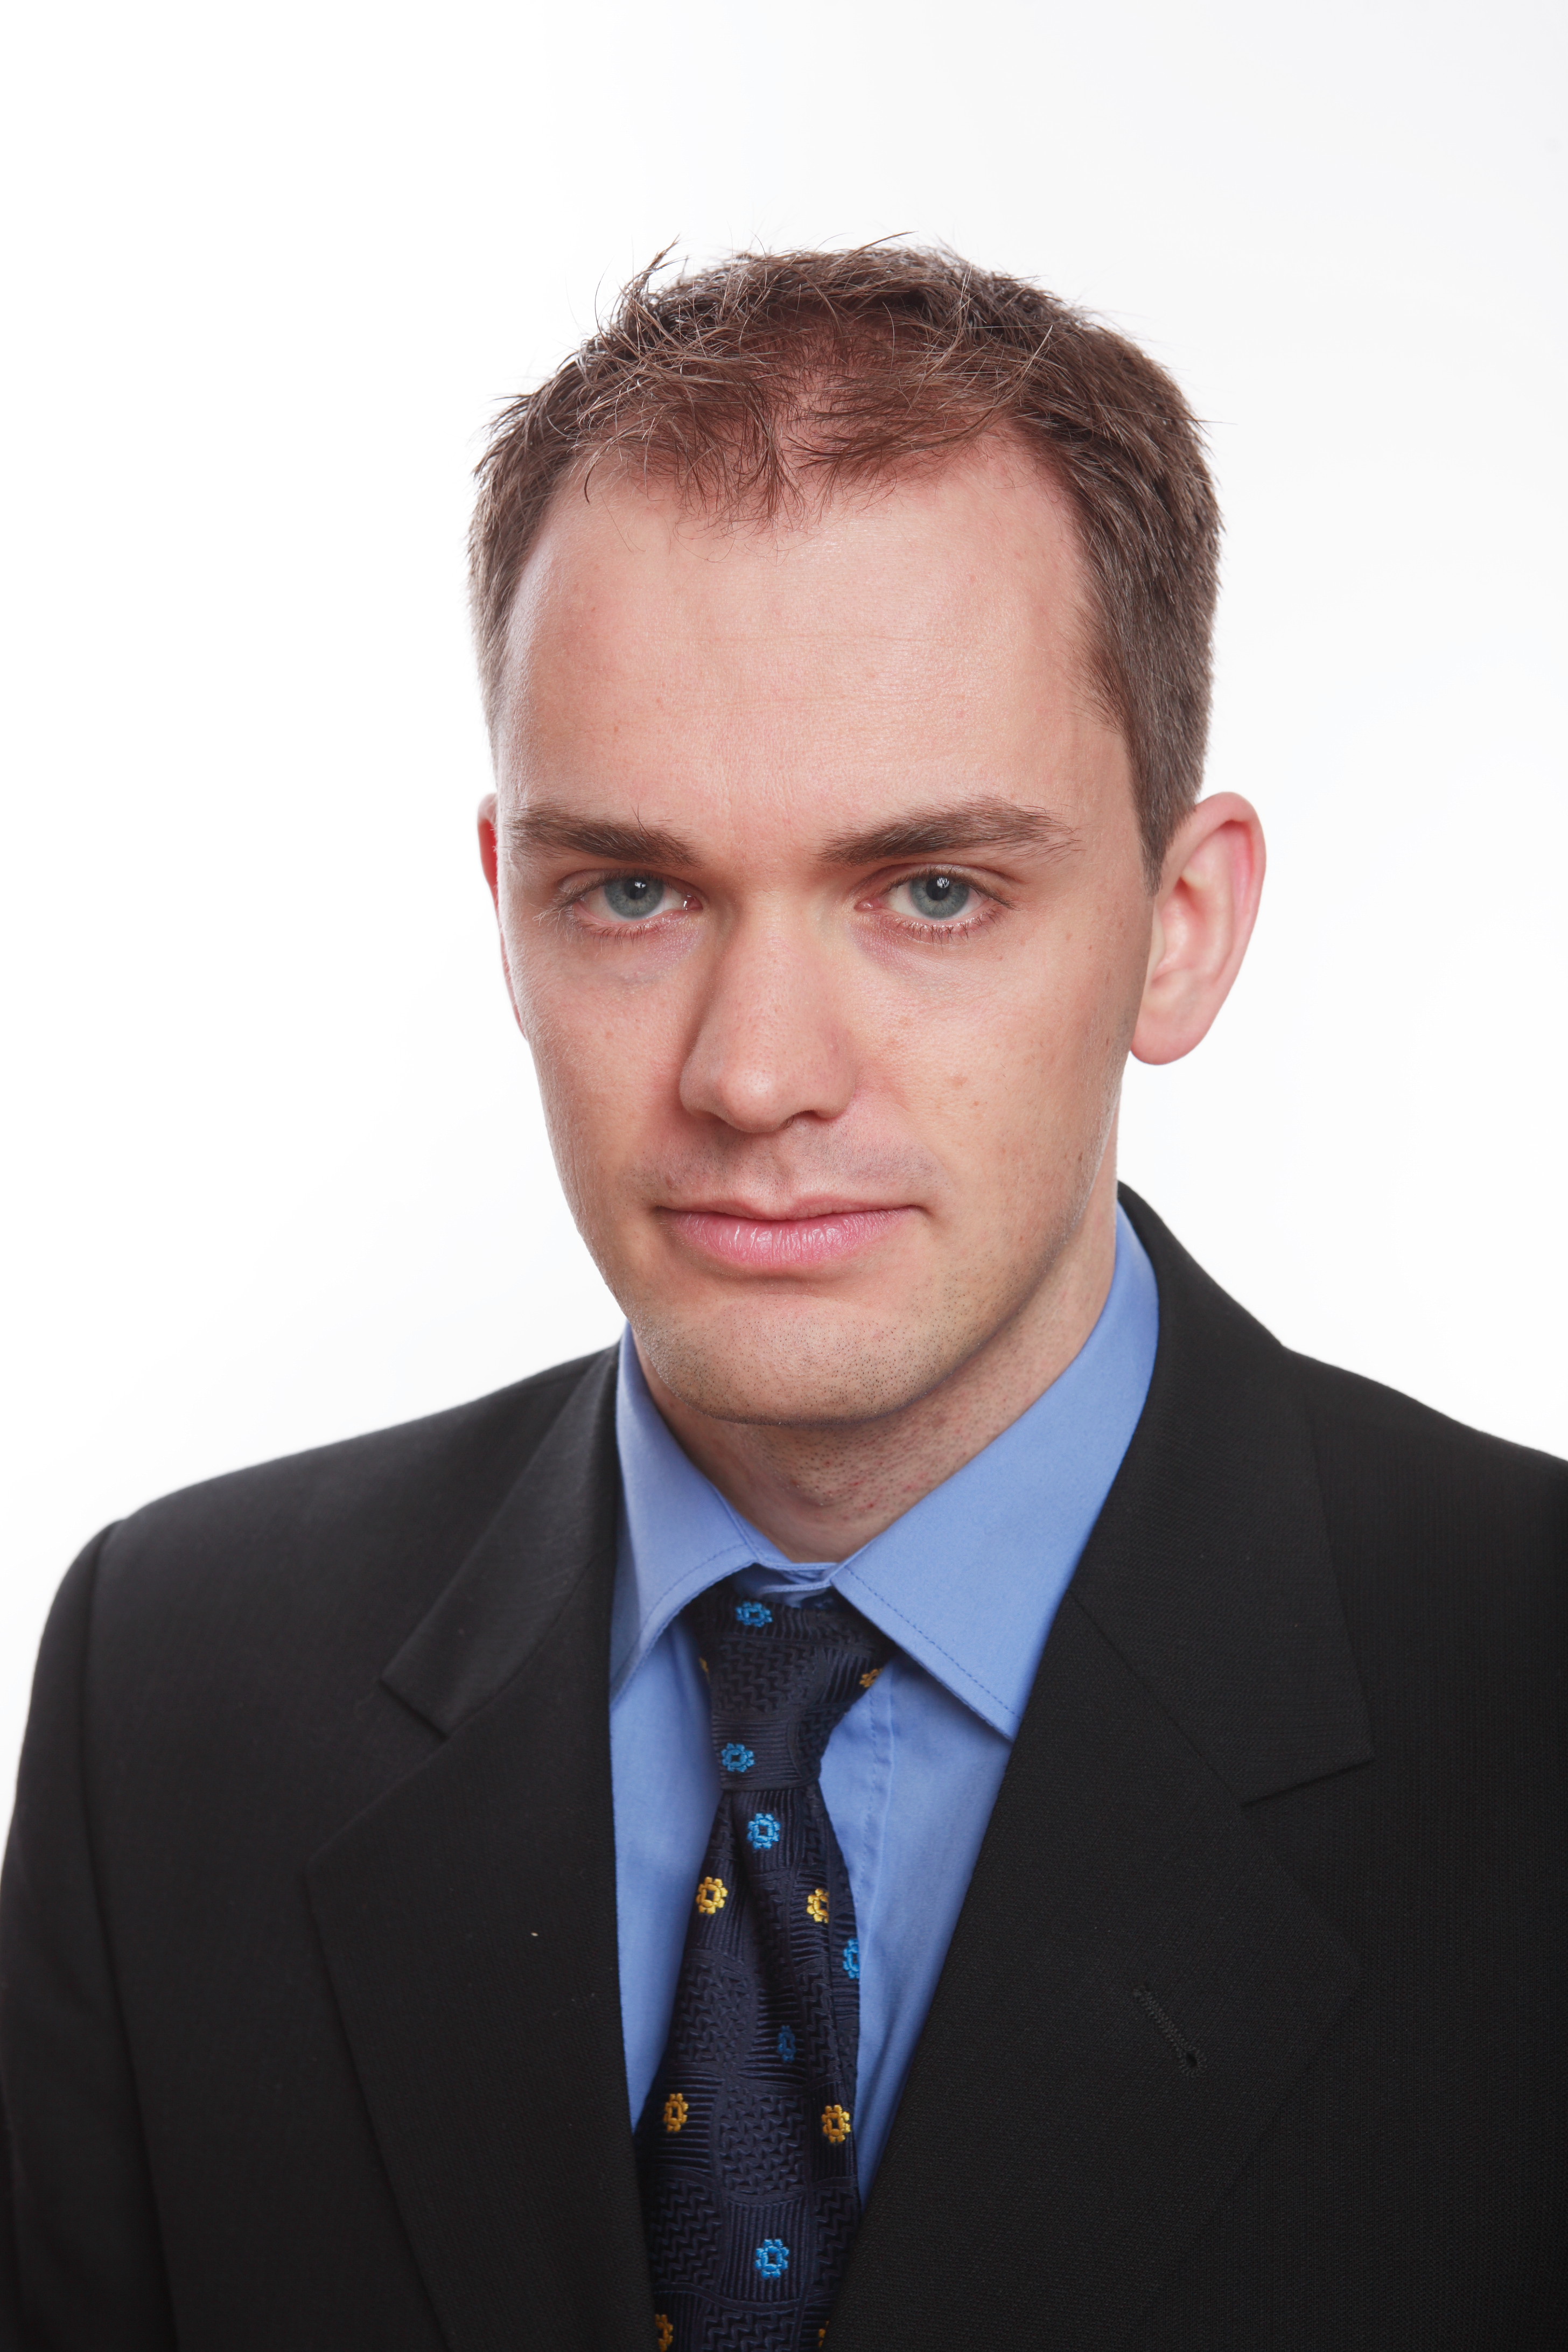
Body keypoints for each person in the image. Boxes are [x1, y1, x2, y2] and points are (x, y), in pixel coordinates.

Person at [1, 246, 1562, 2352]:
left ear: (1180, 928)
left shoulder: (1526, 1687)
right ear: (509, 912)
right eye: (633, 890)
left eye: (931, 890)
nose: (753, 1077)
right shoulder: (172, 1689)